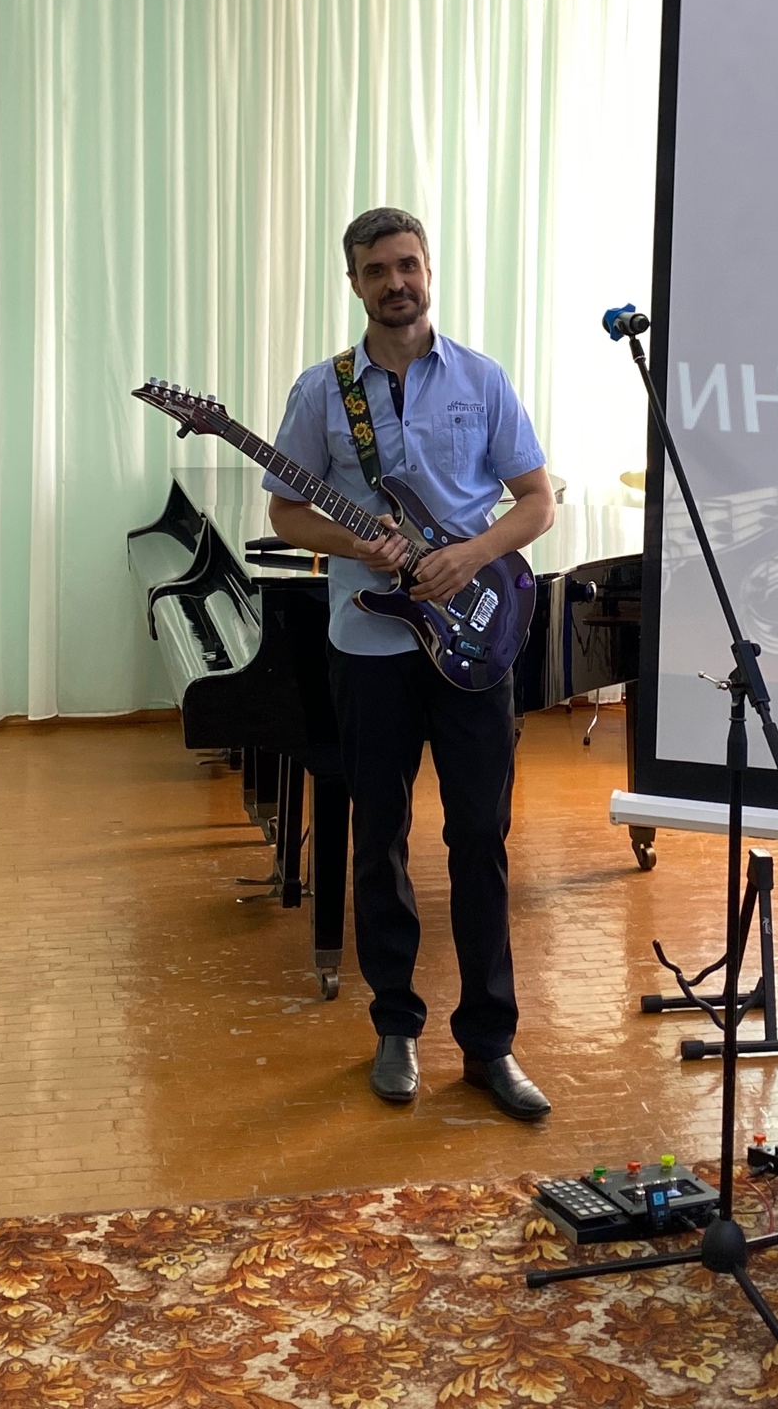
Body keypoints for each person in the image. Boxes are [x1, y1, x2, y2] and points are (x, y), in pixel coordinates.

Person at [265, 207, 558, 1120]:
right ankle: (395, 1025)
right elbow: (285, 514)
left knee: (480, 841)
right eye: (377, 270)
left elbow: (536, 502)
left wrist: (469, 557)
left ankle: (490, 1043)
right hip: (370, 646)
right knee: (378, 838)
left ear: (428, 270)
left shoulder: (480, 378)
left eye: (408, 264)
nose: (397, 282)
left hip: (475, 640)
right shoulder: (323, 391)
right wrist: (357, 543)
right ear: (355, 284)